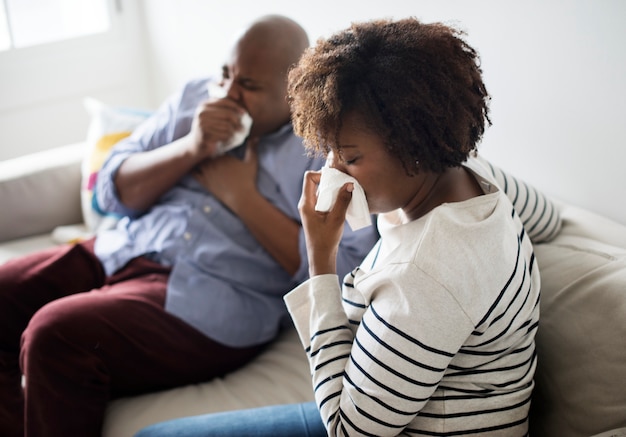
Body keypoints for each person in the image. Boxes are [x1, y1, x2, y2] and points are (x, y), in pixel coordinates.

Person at [135, 17, 562, 437]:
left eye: (350, 157)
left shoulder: (426, 276)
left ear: (413, 148)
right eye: (329, 151)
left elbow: (347, 429)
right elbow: (549, 217)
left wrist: (321, 261)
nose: (331, 170)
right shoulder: (473, 172)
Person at [0, 15, 380, 437]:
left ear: (294, 93)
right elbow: (108, 191)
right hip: (123, 248)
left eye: (249, 86)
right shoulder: (194, 99)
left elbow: (344, 272)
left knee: (55, 334)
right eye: (225, 75)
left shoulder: (326, 148)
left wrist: (243, 198)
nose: (228, 95)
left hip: (207, 297)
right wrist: (191, 148)